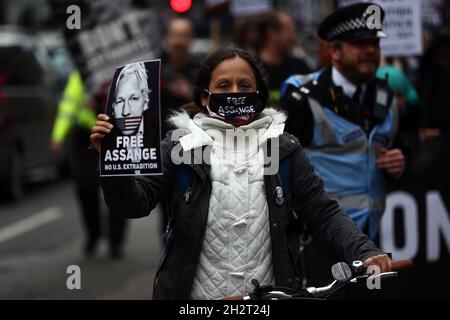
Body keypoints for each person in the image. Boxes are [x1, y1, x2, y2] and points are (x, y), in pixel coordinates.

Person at [90, 46, 392, 300]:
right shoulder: (177, 146)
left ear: (260, 94)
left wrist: (365, 251)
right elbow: (132, 205)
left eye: (244, 86)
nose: (235, 93)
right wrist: (113, 165)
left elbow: (322, 213)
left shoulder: (284, 149)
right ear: (205, 97)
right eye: (224, 86)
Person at [280, 3, 406, 241]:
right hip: (321, 239)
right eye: (360, 44)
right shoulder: (303, 98)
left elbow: (393, 149)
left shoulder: (385, 96)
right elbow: (279, 169)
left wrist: (398, 164)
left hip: (371, 235)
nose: (370, 50)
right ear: (334, 52)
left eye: (375, 43)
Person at [51, 71, 127, 258]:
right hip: (85, 136)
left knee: (119, 188)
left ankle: (115, 241)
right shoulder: (79, 76)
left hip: (115, 134)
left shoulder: (123, 73)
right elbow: (67, 107)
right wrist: (58, 136)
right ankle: (93, 234)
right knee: (85, 187)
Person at [256, 11, 310, 104]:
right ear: (272, 32)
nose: (293, 36)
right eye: (289, 30)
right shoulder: (251, 69)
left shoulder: (300, 67)